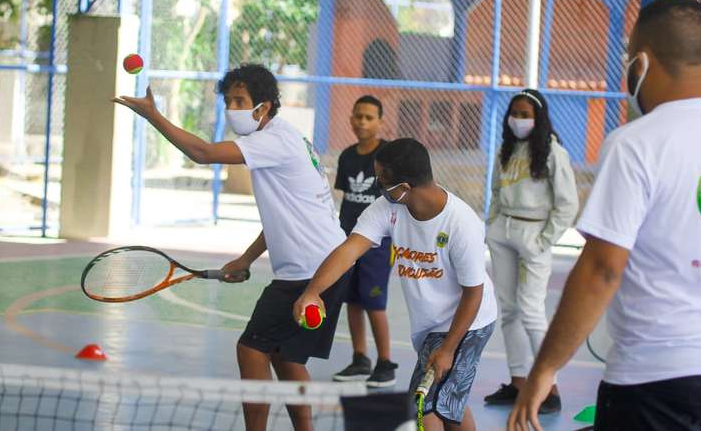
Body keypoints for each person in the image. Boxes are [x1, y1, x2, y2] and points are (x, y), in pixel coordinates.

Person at [508, 0, 701, 430]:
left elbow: (602, 269)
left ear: (640, 61)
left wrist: (544, 368)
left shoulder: (637, 143)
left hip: (653, 378)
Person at [114, 64, 351, 431]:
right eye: (228, 101)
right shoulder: (286, 137)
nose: (233, 108)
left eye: (240, 100)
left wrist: (153, 115)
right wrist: (246, 258)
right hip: (325, 263)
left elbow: (204, 153)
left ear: (264, 106)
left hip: (312, 270)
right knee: (283, 355)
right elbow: (285, 216)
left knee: (251, 347)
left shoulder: (273, 140)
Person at [293, 138, 498, 431]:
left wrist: (449, 348)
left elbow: (473, 292)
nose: (378, 183)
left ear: (405, 186)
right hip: (430, 325)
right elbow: (349, 250)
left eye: (381, 179)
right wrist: (313, 291)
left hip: (468, 323)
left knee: (423, 406)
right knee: (450, 404)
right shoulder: (387, 209)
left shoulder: (461, 223)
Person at [483, 89, 578, 414]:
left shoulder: (552, 150)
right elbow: (496, 190)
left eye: (525, 115)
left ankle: (549, 388)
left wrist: (544, 239)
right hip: (503, 231)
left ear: (537, 118)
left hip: (534, 232)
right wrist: (492, 223)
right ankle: (518, 381)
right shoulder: (505, 150)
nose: (518, 120)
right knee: (508, 309)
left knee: (531, 309)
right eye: (514, 114)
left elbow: (568, 204)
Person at [331, 95, 397, 387]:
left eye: (369, 117)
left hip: (378, 243)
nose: (362, 122)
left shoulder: (388, 156)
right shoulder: (347, 156)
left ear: (381, 122)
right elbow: (346, 198)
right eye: (358, 116)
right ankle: (360, 359)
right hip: (349, 240)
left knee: (374, 302)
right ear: (351, 119)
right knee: (352, 301)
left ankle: (385, 363)